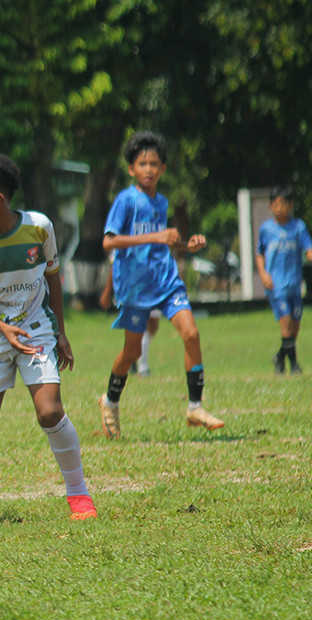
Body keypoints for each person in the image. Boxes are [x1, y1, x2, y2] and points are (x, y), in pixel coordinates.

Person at [0, 152, 96, 520]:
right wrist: (3, 329)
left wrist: (61, 332)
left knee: (50, 411)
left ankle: (79, 494)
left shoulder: (39, 228)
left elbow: (53, 276)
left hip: (35, 330)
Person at [97, 131, 224, 439]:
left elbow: (162, 243)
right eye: (142, 163)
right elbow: (108, 242)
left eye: (155, 163)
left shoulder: (161, 202)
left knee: (191, 334)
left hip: (166, 282)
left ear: (163, 168)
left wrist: (185, 246)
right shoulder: (126, 200)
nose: (149, 169)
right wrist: (155, 236)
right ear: (131, 169)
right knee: (131, 353)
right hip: (135, 288)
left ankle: (195, 406)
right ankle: (110, 401)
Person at [256, 185, 312, 374]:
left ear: (291, 205)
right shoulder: (266, 229)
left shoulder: (298, 227)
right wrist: (263, 273)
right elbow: (259, 254)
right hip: (276, 286)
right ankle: (294, 365)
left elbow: (308, 249)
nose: (280, 208)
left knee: (294, 327)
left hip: (294, 284)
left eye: (284, 204)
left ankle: (280, 357)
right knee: (286, 322)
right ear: (271, 205)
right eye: (276, 204)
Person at [100, 264, 161, 377]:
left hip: (155, 284)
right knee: (143, 325)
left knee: (153, 326)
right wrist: (108, 291)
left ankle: (134, 353)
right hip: (136, 286)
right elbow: (116, 264)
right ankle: (143, 368)